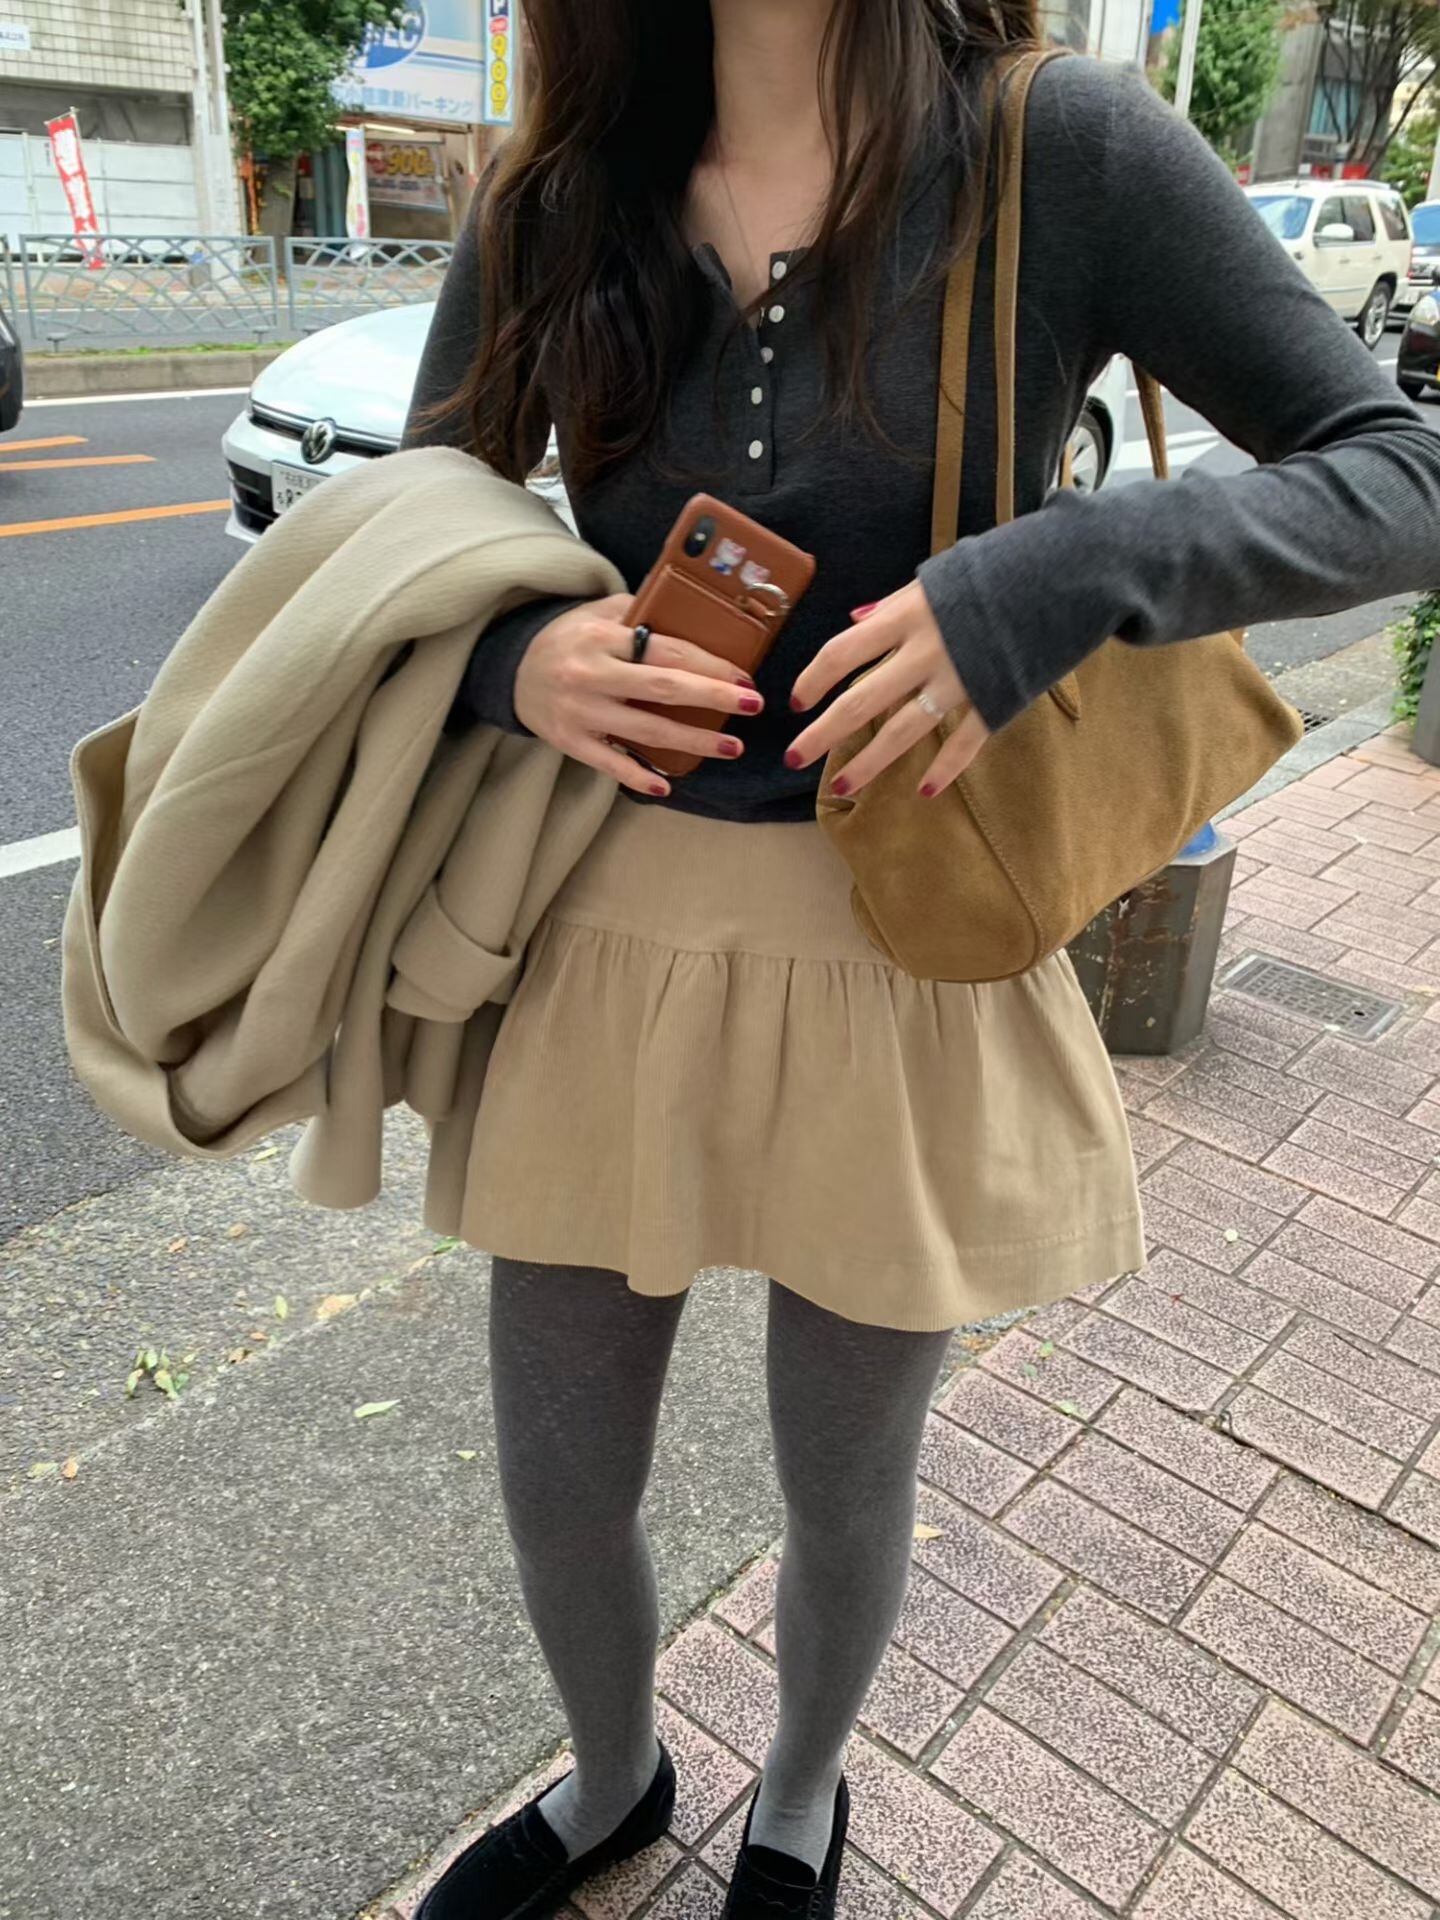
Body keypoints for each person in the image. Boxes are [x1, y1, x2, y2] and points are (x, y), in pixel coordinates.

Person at [399, 3, 1440, 1916]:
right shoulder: (560, 181)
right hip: (601, 942)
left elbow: (1404, 470)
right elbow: (415, 520)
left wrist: (1064, 573)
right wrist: (507, 660)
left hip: (906, 944)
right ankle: (615, 1782)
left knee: (846, 1476)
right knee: (558, 1471)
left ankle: (800, 1803)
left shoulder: (1062, 150)